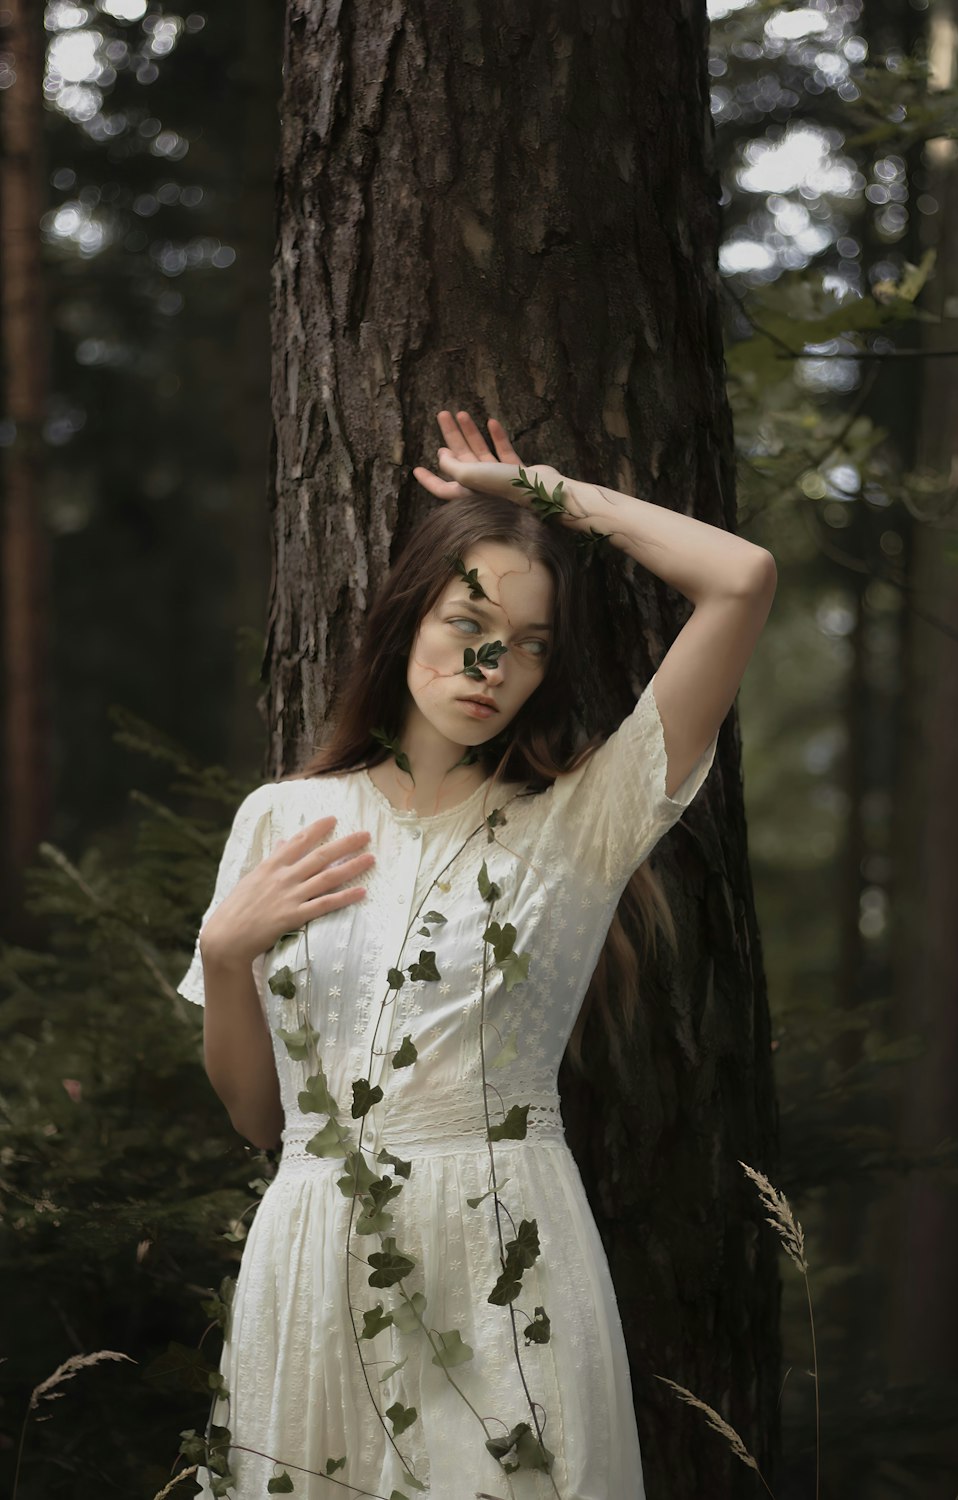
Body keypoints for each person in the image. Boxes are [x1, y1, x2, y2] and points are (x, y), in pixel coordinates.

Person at [176, 410, 776, 1499]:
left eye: (531, 643)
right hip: (312, 1251)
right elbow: (258, 1118)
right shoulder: (281, 819)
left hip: (509, 1262)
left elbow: (741, 577)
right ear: (406, 618)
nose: (492, 661)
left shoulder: (581, 826)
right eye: (469, 621)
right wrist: (223, 954)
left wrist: (543, 493)